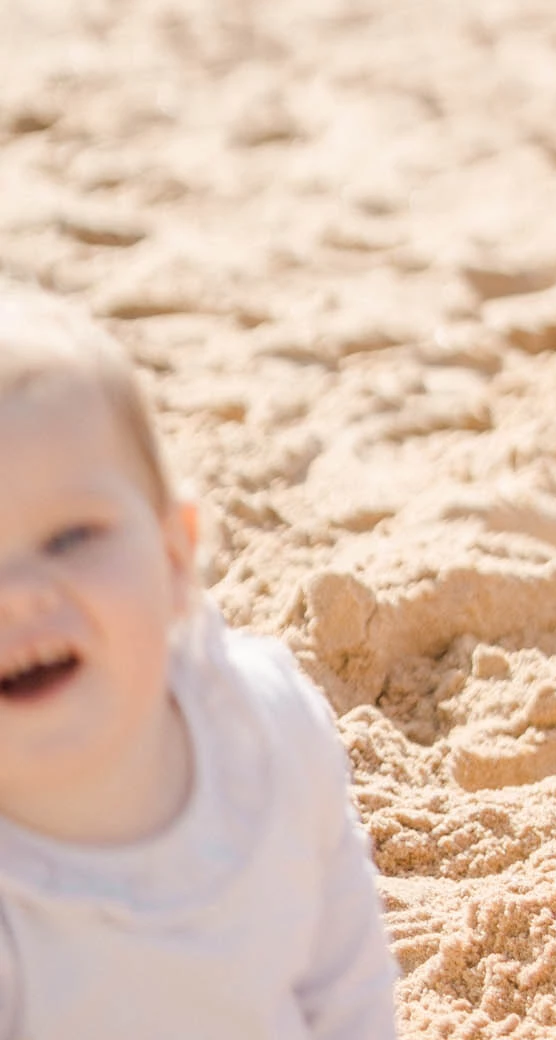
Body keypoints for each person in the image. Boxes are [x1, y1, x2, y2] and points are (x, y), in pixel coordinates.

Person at [0, 287, 398, 1040]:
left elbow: (346, 979)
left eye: (70, 538)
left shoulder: (270, 727)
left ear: (175, 557)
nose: (19, 597)